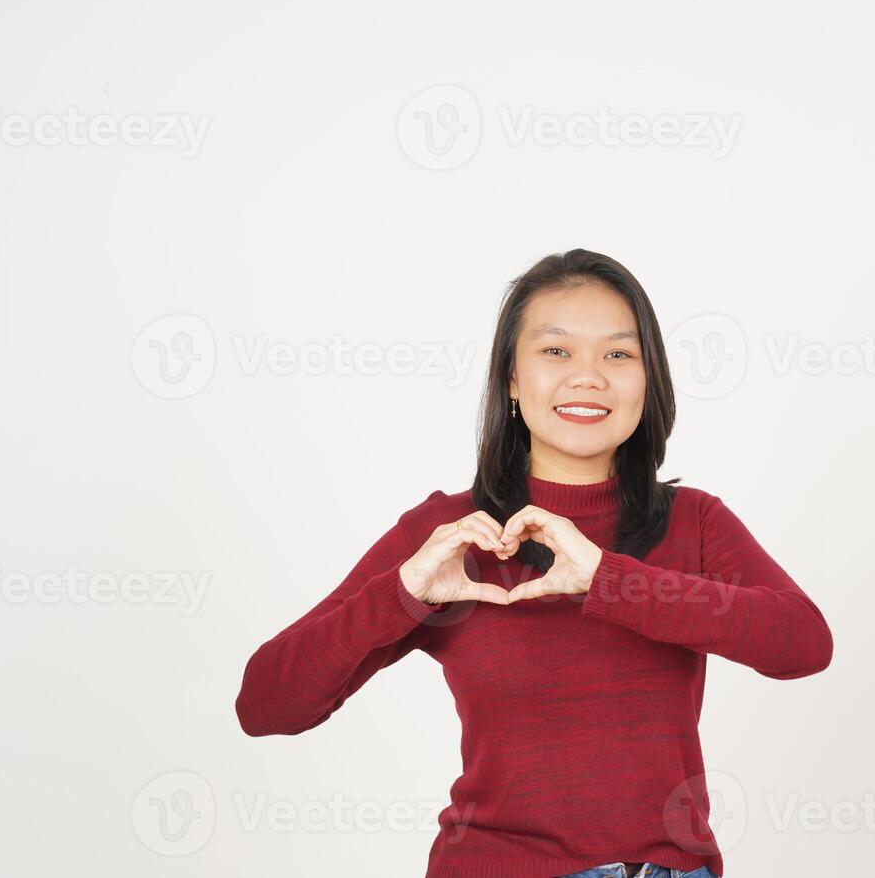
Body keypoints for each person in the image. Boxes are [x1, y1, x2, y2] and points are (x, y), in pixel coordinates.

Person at [235, 248, 834, 877]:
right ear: (512, 380)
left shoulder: (695, 521)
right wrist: (404, 591)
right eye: (556, 351)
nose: (589, 376)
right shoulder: (449, 535)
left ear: (649, 381)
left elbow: (803, 643)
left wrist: (610, 580)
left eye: (619, 354)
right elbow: (267, 705)